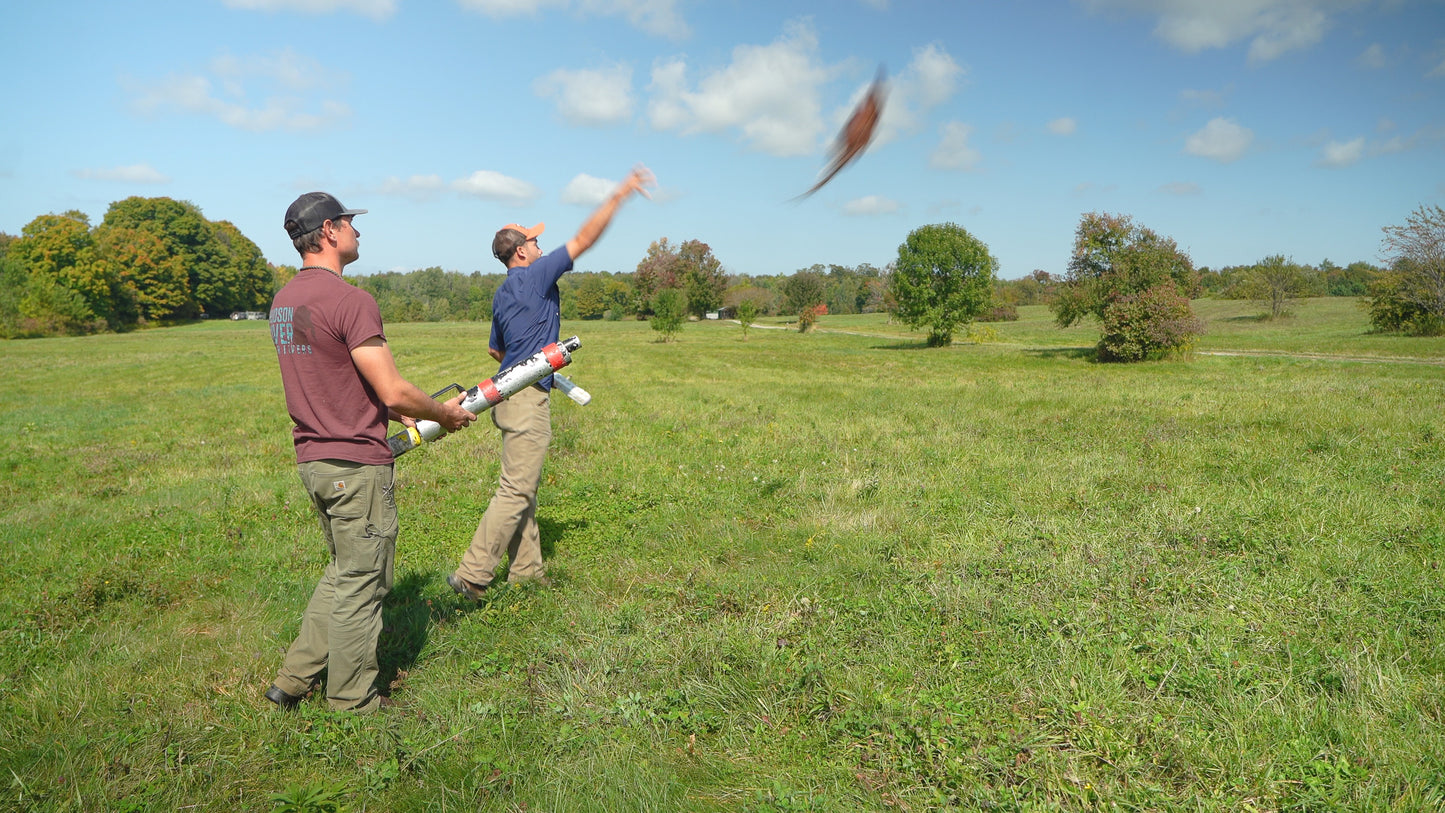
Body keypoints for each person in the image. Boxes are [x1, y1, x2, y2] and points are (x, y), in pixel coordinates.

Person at [264, 192, 477, 713]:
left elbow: (330, 372)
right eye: (350, 223)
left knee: (346, 572)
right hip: (355, 467)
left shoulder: (285, 301)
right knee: (364, 583)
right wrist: (443, 413)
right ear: (329, 231)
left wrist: (388, 411)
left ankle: (291, 681)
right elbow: (394, 389)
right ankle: (352, 702)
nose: (358, 232)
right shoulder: (351, 300)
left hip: (314, 460)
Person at [448, 166, 654, 599]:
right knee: (515, 488)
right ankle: (472, 574)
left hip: (506, 396)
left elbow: (495, 351)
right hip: (526, 400)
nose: (542, 246)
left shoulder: (503, 293)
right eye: (536, 241)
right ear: (521, 251)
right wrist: (620, 194)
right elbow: (584, 238)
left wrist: (529, 358)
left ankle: (527, 572)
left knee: (523, 485)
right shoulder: (536, 275)